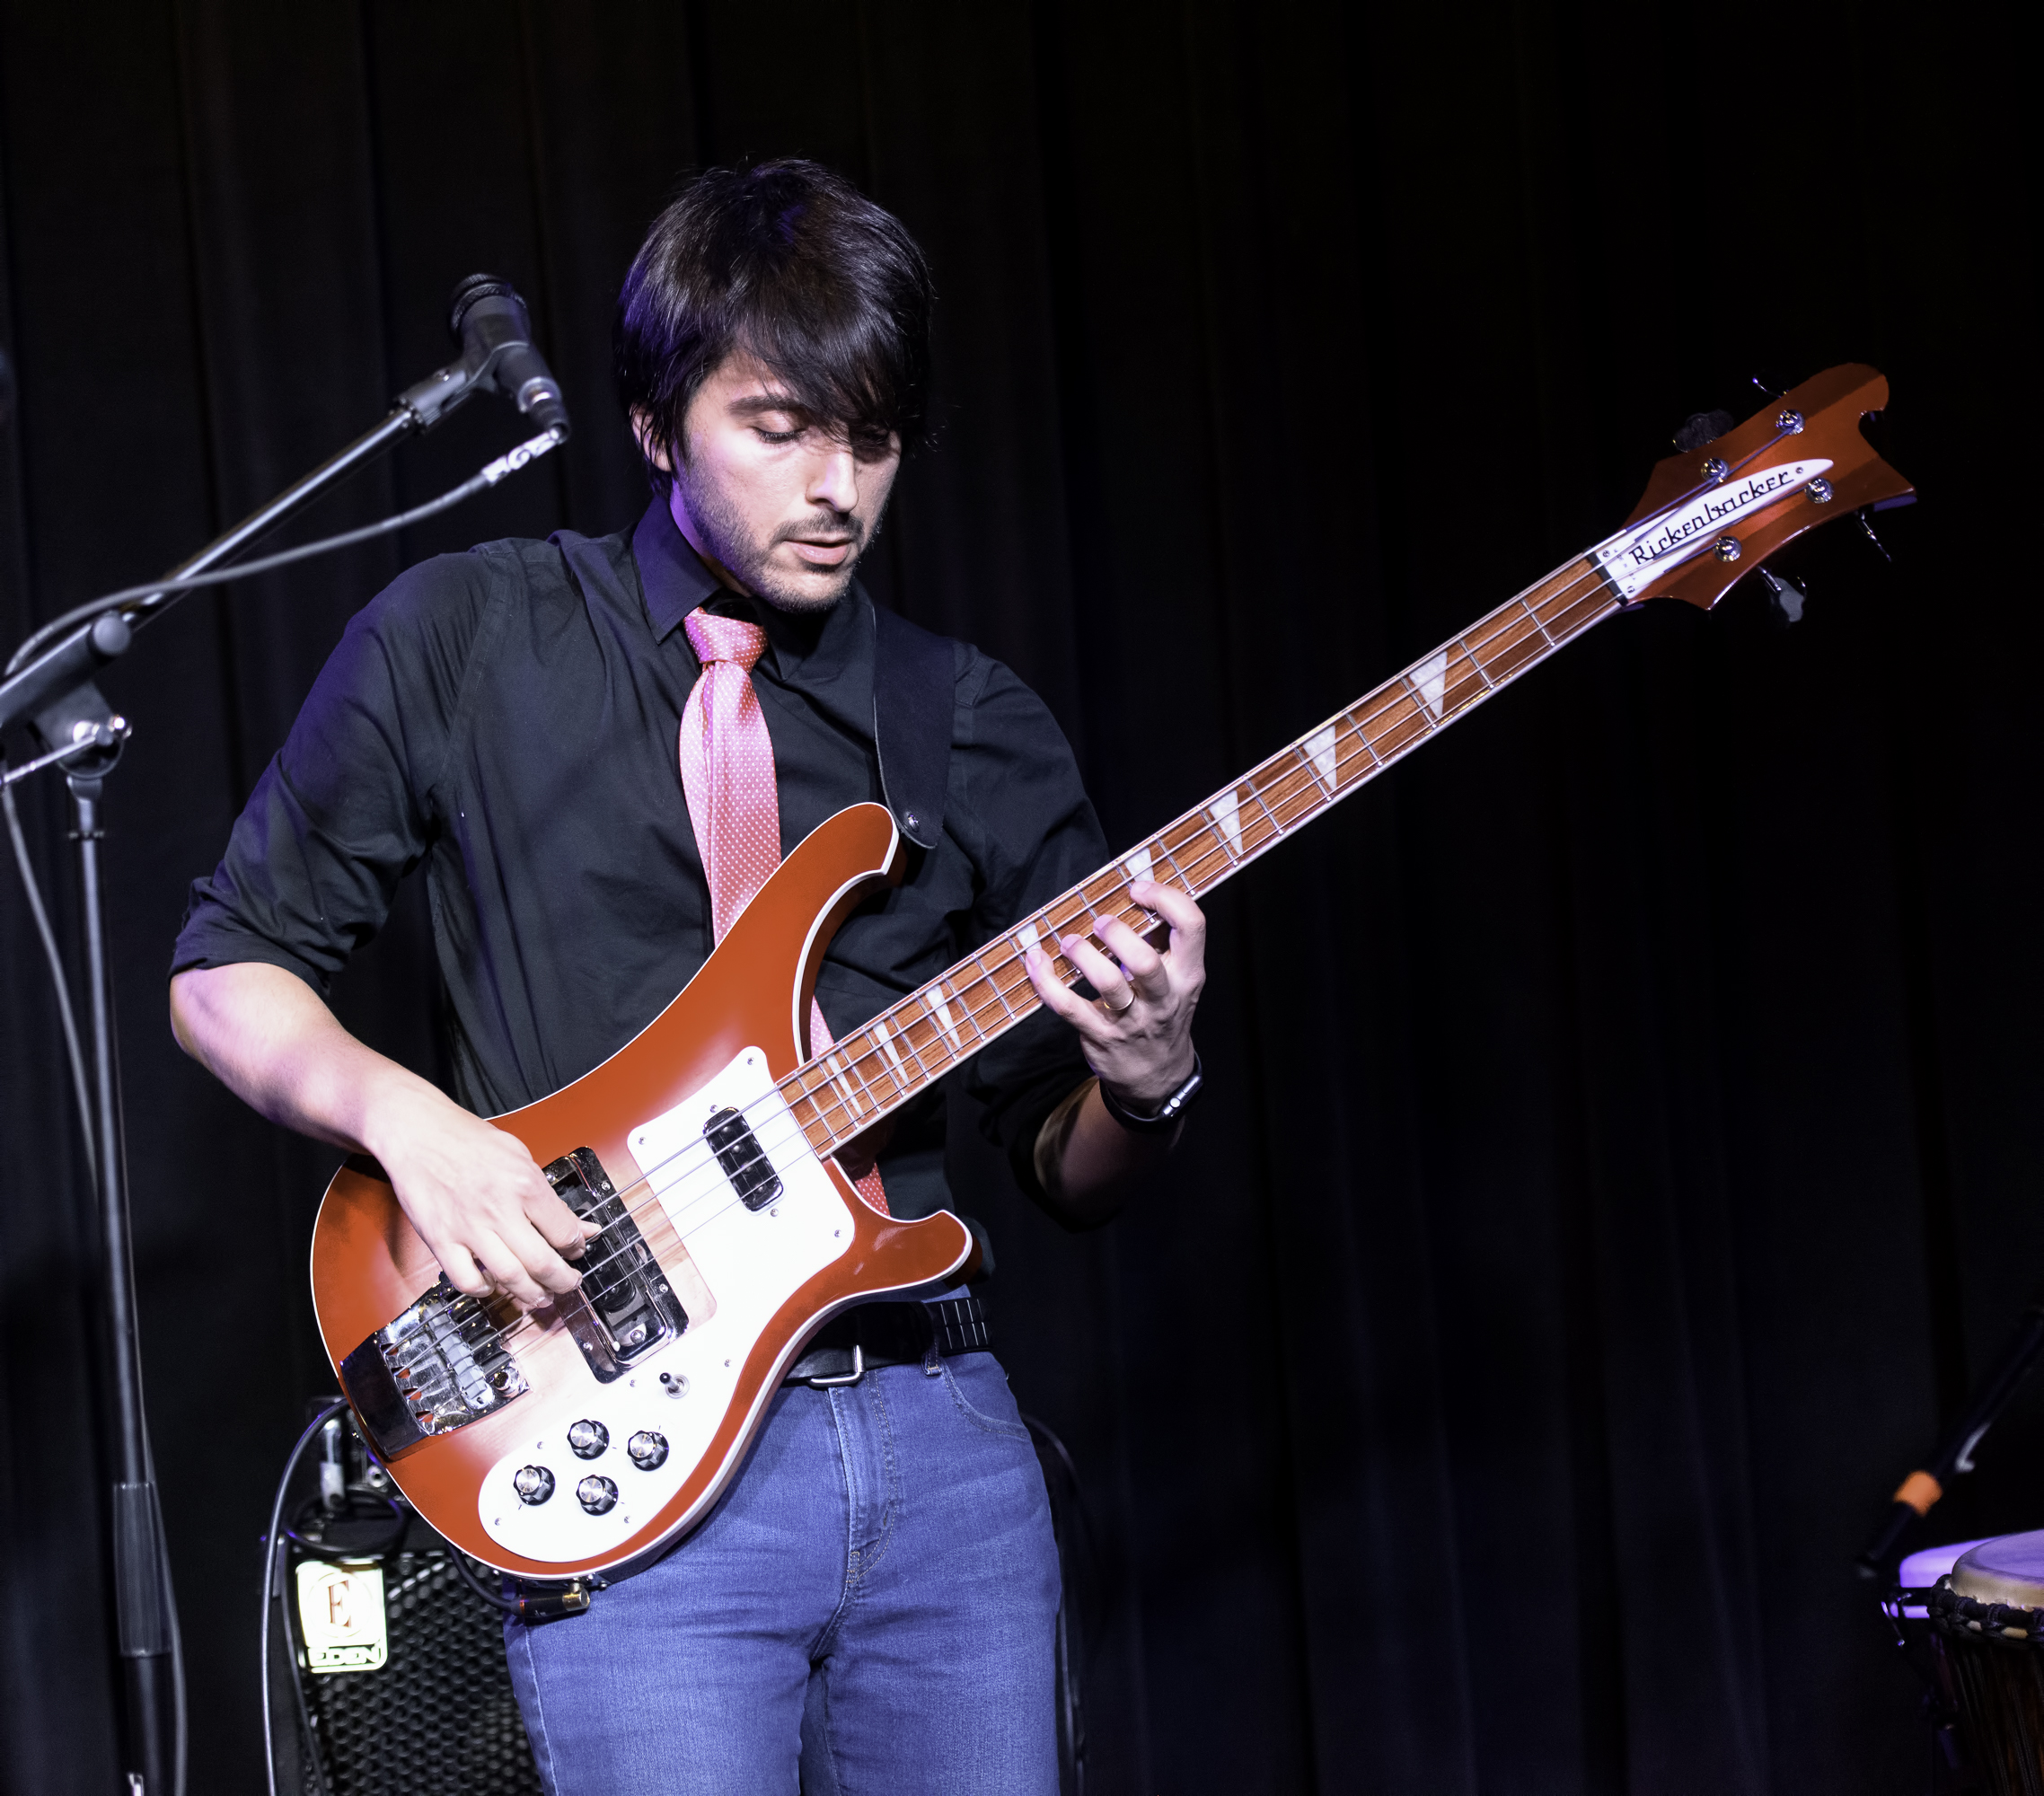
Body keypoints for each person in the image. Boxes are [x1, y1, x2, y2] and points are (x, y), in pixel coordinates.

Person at [168, 159, 1205, 1795]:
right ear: (654, 425)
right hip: (613, 1419)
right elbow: (226, 968)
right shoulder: (466, 638)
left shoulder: (971, 721)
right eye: (780, 427)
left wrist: (1148, 1082)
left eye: (871, 441)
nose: (836, 488)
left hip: (938, 1450)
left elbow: (1065, 1166)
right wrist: (413, 1127)